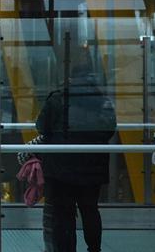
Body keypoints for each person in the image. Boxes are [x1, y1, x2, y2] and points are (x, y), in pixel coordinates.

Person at [36, 54, 116, 252]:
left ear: (70, 78)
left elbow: (41, 127)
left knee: (64, 214)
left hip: (61, 167)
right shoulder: (101, 100)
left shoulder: (57, 98)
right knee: (90, 210)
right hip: (92, 166)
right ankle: (94, 248)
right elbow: (109, 129)